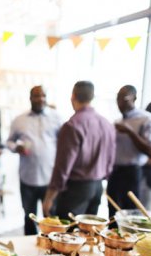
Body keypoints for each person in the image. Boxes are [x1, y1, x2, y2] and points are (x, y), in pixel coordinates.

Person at [43, 81, 116, 218]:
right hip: (97, 186)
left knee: (66, 234)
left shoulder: (72, 125)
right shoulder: (106, 124)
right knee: (88, 233)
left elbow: (62, 166)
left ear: (73, 96)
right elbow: (110, 159)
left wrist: (49, 197)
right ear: (92, 97)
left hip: (76, 188)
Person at [7, 86, 63, 235]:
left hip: (50, 178)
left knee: (51, 217)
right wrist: (16, 147)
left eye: (43, 96)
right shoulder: (20, 120)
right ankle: (29, 251)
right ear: (30, 98)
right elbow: (9, 142)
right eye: (36, 96)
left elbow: (64, 144)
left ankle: (50, 249)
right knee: (29, 216)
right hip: (28, 178)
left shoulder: (57, 118)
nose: (40, 99)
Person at [107, 85, 151, 217]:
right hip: (114, 173)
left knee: (130, 215)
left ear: (134, 98)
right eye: (117, 98)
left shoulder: (146, 119)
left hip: (132, 173)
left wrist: (130, 132)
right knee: (113, 214)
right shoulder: (117, 121)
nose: (119, 103)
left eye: (123, 98)